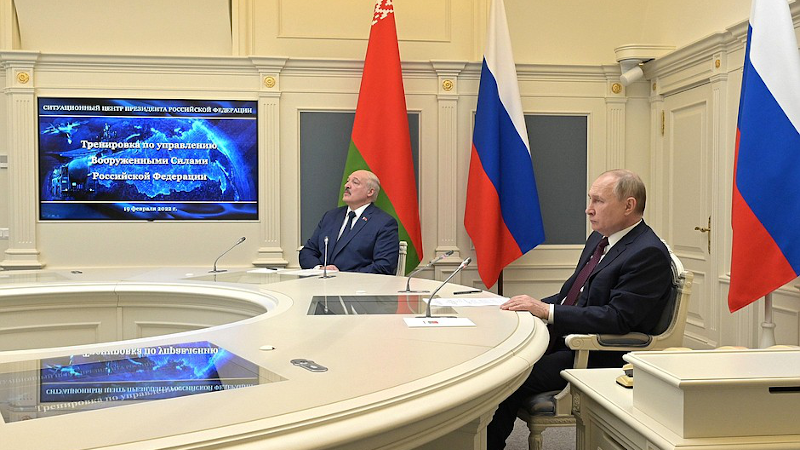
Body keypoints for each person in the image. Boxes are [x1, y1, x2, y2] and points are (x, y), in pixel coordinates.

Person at [486, 169, 673, 449]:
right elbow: (571, 295)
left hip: (597, 354)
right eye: (590, 199)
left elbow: (617, 318)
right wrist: (531, 306)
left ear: (628, 206)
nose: (589, 209)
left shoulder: (648, 253)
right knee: (498, 362)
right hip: (568, 340)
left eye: (598, 201)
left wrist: (547, 312)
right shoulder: (600, 239)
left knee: (508, 379)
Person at [299, 169, 399, 274]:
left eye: (355, 182)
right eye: (348, 181)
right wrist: (320, 268)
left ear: (370, 192)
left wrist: (344, 277)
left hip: (359, 287)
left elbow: (383, 266)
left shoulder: (384, 223)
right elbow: (307, 252)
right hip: (320, 285)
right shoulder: (331, 216)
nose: (347, 185)